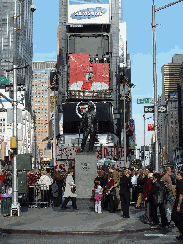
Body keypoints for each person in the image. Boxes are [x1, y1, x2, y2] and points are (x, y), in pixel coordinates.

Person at [171, 171, 183, 240]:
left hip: (180, 202)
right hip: (178, 201)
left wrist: (178, 205)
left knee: (175, 216)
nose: (175, 176)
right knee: (180, 217)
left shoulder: (181, 182)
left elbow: (181, 194)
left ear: (179, 175)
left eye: (176, 175)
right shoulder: (180, 182)